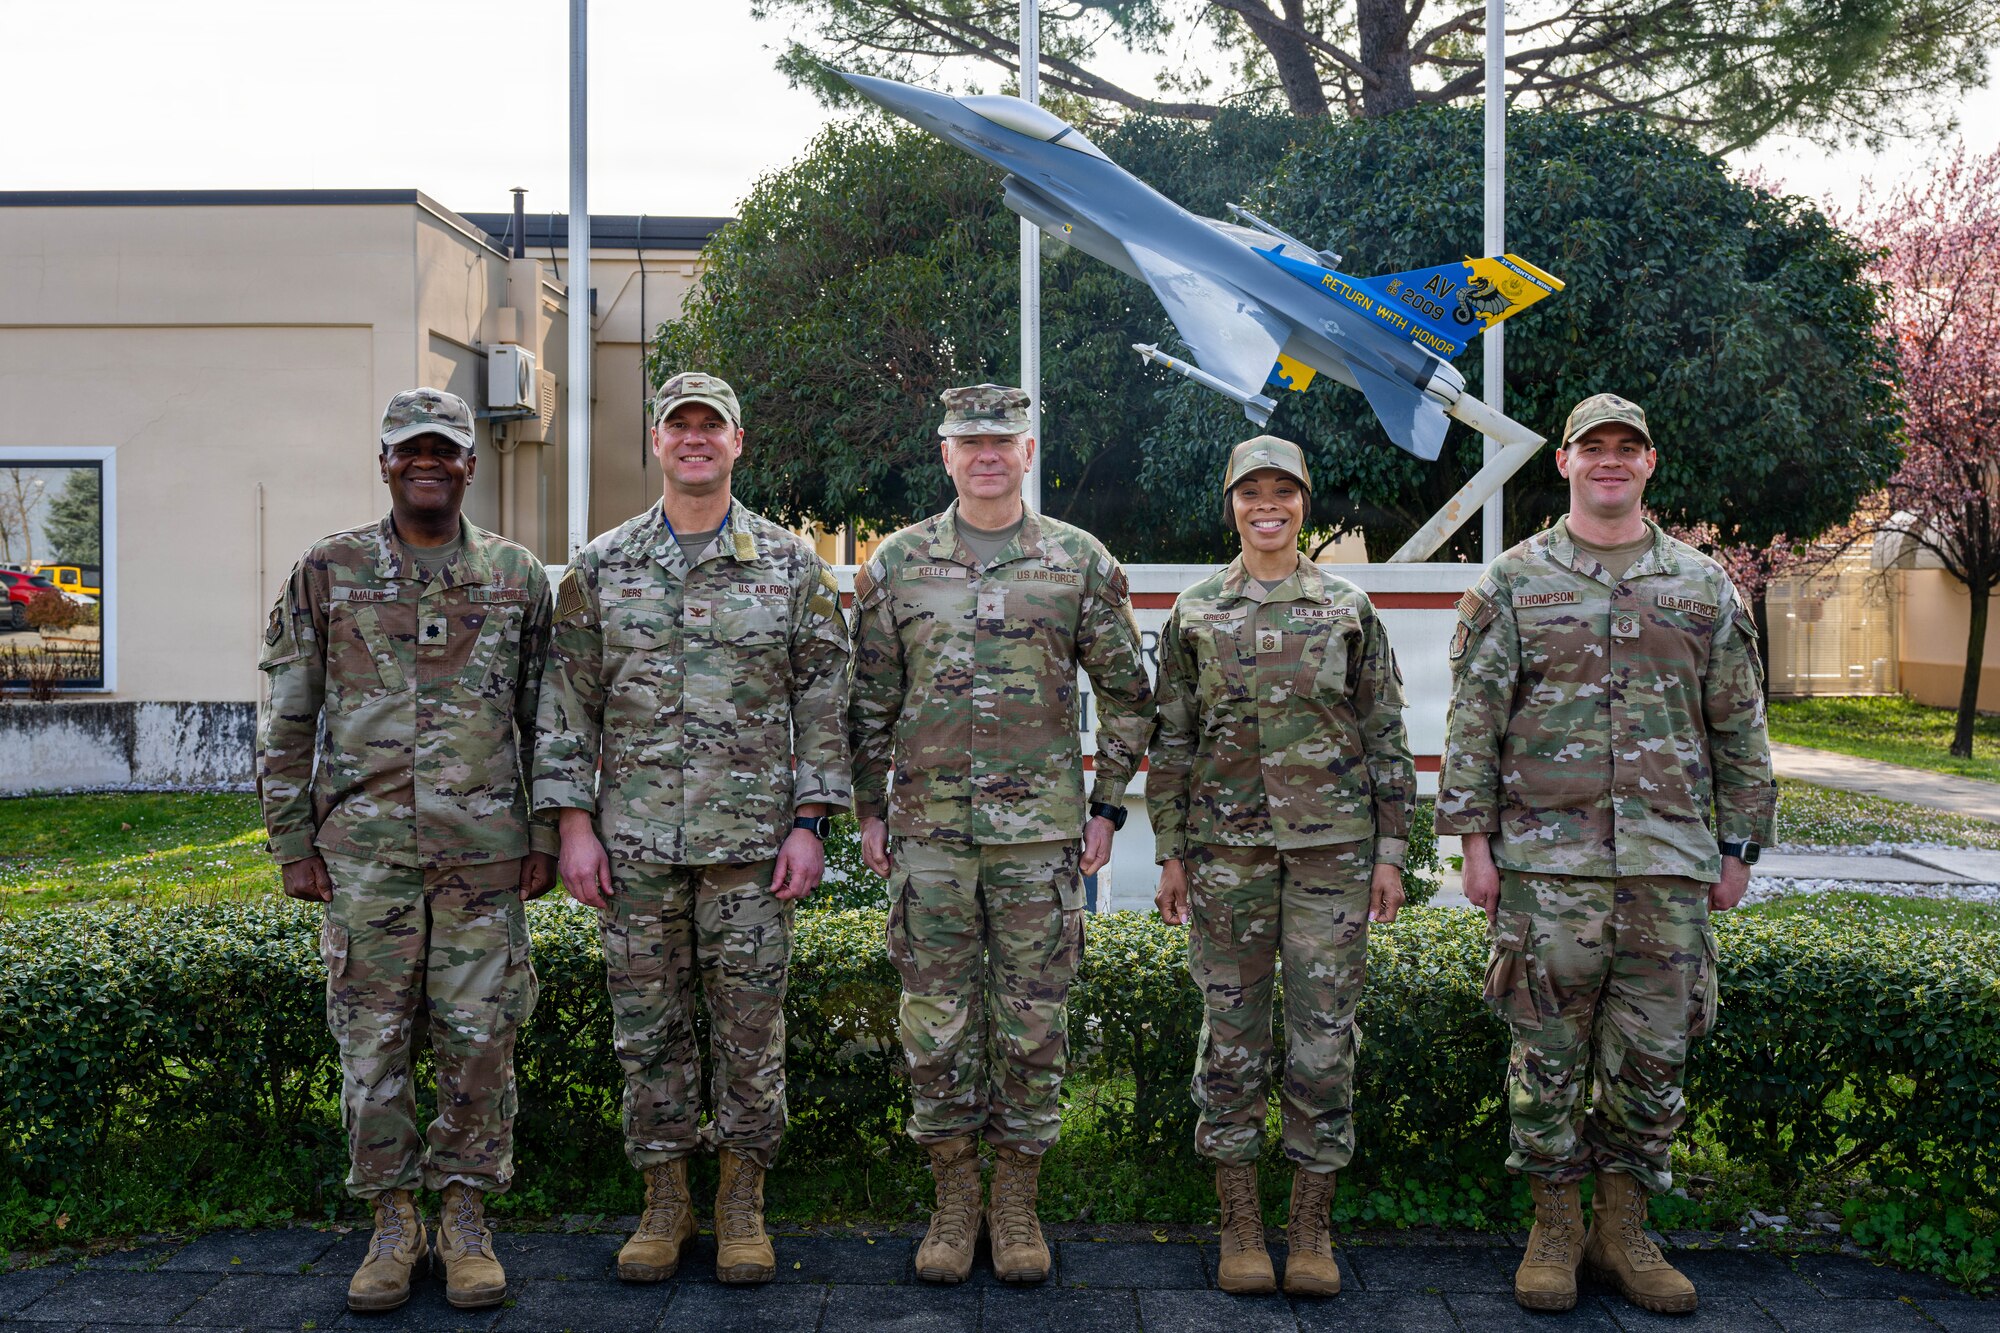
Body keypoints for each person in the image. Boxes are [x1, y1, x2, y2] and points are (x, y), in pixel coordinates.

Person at [1437, 393, 1775, 1315]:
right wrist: (1475, 847)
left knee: (1655, 1054)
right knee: (1544, 1053)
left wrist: (1738, 846)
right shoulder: (1514, 581)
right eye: (1595, 449)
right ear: (1567, 464)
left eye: (1629, 449)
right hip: (1546, 869)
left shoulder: (1702, 586)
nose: (1611, 462)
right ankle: (1553, 1227)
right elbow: (1475, 724)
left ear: (1650, 465)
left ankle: (1622, 1229)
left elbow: (1740, 726)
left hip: (1670, 866)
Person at [533, 371, 851, 1286]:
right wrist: (573, 826)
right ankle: (665, 1201)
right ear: (658, 440)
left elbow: (824, 700)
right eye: (681, 426)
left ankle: (741, 1204)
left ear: (738, 442)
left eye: (713, 426)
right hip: (631, 850)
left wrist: (811, 823)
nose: (697, 440)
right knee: (647, 1030)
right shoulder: (602, 565)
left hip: (753, 851)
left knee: (751, 1029)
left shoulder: (788, 566)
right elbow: (567, 705)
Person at [847, 383, 1155, 1285]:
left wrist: (1105, 806)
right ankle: (952, 1202)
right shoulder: (897, 563)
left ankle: (1015, 1203)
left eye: (1003, 440)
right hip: (930, 839)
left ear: (1029, 452)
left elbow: (1130, 694)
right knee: (934, 1025)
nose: (986, 453)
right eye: (968, 440)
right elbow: (865, 699)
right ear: (944, 453)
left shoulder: (1078, 562)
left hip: (1040, 843)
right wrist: (870, 807)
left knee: (1032, 1027)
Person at [257, 387, 555, 1313]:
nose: (427, 462)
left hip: (483, 857)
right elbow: (288, 711)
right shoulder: (328, 570)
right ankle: (393, 1219)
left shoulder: (516, 577)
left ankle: (464, 1214)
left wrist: (546, 833)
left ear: (471, 463)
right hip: (366, 857)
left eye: (445, 449)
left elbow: (548, 719)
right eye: (408, 449)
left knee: (479, 1041)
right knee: (372, 1045)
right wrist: (291, 842)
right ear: (383, 461)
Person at [1147, 436, 1414, 1297]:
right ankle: (1240, 1221)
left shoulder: (1347, 609)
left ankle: (1309, 1225)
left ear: (1305, 502)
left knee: (1323, 1041)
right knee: (1231, 1042)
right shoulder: (1195, 613)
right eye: (1251, 491)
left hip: (1333, 860)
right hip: (1226, 856)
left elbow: (1385, 736)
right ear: (1231, 503)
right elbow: (1173, 743)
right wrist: (1171, 852)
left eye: (1284, 491)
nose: (1269, 504)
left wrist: (1393, 851)